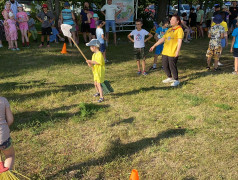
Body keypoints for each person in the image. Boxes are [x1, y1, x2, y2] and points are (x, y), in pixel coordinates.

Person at [149, 15, 184, 87]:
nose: (171, 21)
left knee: (172, 66)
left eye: (173, 20)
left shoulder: (179, 29)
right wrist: (154, 45)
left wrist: (177, 51)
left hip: (173, 51)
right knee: (165, 65)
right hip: (165, 51)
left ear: (177, 21)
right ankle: (169, 77)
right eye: (171, 20)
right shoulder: (169, 29)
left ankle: (176, 80)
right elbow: (162, 39)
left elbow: (180, 41)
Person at [0, 96, 15, 170]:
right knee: (10, 155)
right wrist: (5, 128)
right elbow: (10, 120)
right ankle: (6, 175)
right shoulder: (3, 100)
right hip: (3, 137)